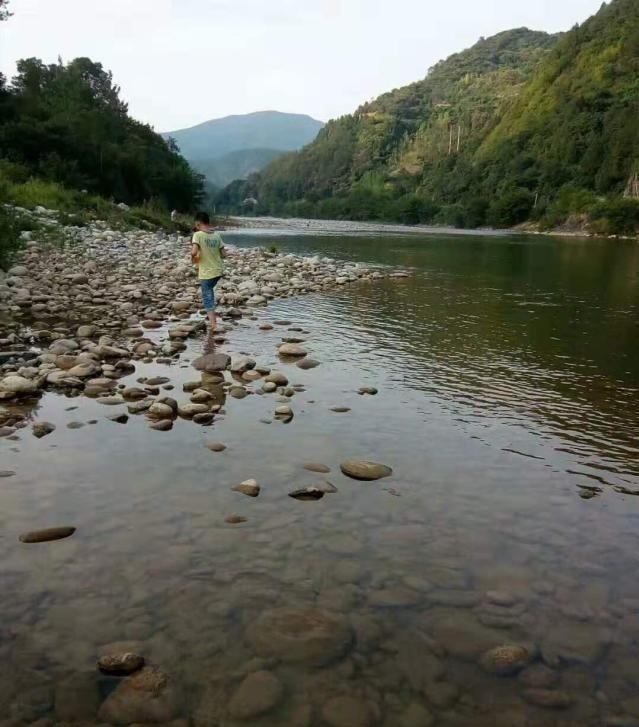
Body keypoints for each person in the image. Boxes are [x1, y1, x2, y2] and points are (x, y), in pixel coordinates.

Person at [191, 211, 225, 330]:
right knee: (210, 292)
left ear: (198, 223)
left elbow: (194, 252)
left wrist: (193, 258)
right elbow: (223, 254)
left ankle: (214, 325)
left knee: (208, 297)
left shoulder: (198, 235)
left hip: (206, 272)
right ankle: (212, 318)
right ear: (208, 222)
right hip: (218, 271)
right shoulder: (216, 235)